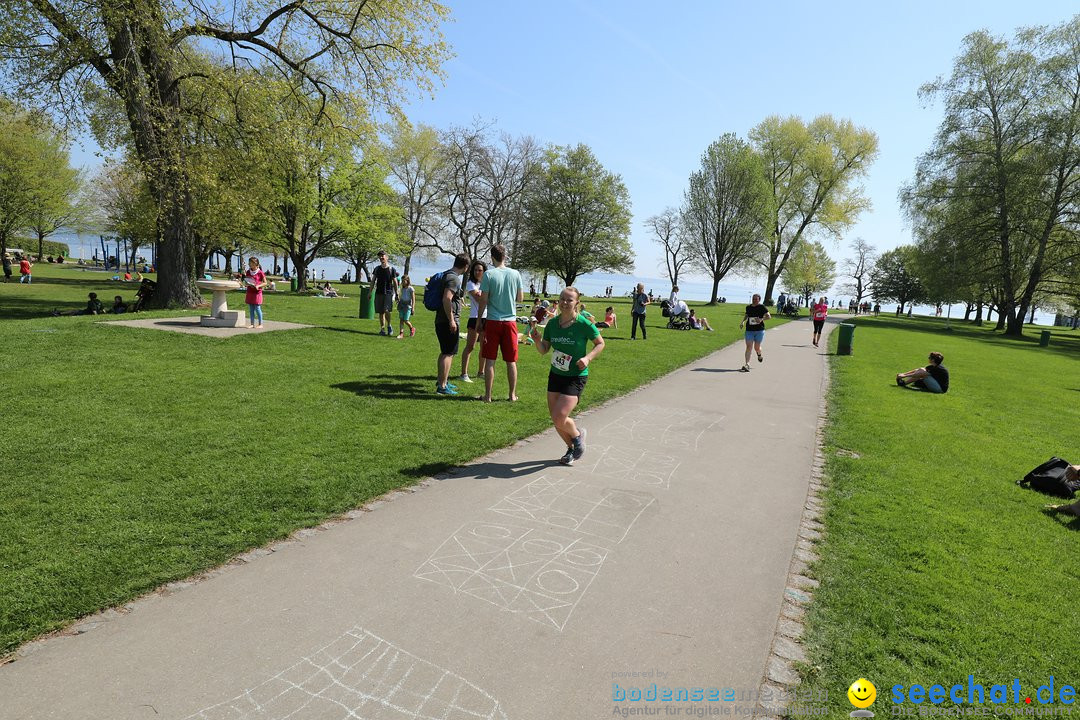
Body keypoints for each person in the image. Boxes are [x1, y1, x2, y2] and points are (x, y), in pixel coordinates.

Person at [529, 286, 604, 466]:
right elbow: (544, 350)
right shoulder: (553, 324)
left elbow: (600, 343)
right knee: (556, 420)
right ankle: (572, 448)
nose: (565, 302)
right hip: (556, 374)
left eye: (569, 300)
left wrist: (587, 358)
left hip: (576, 376)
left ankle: (578, 435)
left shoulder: (583, 324)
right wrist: (538, 340)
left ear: (576, 303)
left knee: (559, 416)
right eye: (562, 299)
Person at [477, 243, 524, 403]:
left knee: (490, 360)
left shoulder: (489, 275)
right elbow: (520, 298)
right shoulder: (516, 274)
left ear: (492, 257)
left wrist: (478, 320)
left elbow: (483, 300)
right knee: (511, 360)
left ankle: (488, 396)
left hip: (493, 321)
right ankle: (512, 395)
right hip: (510, 321)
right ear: (505, 256)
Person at [435, 253, 470, 396]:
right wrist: (451, 320)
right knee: (448, 353)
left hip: (442, 320)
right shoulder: (454, 278)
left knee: (445, 352)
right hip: (447, 322)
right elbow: (446, 299)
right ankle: (442, 387)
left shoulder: (446, 275)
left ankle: (442, 381)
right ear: (466, 267)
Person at [459, 260, 487, 381]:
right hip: (475, 318)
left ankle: (481, 372)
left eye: (480, 270)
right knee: (470, 346)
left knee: (484, 348)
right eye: (475, 270)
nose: (477, 272)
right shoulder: (471, 284)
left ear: (484, 271)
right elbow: (479, 299)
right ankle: (464, 374)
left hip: (487, 317)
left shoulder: (487, 283)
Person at [739, 293, 771, 372]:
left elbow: (769, 316)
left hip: (759, 330)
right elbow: (747, 315)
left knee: (756, 347)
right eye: (753, 299)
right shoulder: (748, 307)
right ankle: (747, 364)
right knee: (748, 347)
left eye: (756, 299)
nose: (754, 300)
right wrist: (743, 321)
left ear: (759, 300)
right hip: (749, 330)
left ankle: (759, 355)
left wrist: (761, 319)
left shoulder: (762, 307)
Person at [370, 250, 399, 336]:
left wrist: (397, 294)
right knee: (381, 312)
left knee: (386, 310)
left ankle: (389, 325)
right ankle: (382, 329)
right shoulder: (377, 269)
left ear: (387, 257)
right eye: (380, 256)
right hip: (379, 292)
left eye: (383, 256)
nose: (381, 257)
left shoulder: (391, 269)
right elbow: (373, 281)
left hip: (388, 293)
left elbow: (395, 282)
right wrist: (370, 292)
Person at [244, 256, 266, 328]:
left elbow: (265, 283)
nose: (249, 264)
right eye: (249, 263)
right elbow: (247, 281)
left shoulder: (260, 272)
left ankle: (260, 324)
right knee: (251, 308)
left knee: (257, 308)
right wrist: (246, 284)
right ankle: (252, 324)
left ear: (256, 264)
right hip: (250, 292)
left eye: (251, 263)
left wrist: (258, 286)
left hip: (257, 293)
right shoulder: (248, 272)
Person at [396, 275, 416, 339]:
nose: (403, 282)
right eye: (402, 280)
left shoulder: (411, 288)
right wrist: (399, 299)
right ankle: (401, 333)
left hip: (408, 306)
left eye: (404, 280)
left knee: (406, 320)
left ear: (407, 280)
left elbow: (413, 299)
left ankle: (412, 328)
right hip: (402, 305)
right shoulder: (403, 288)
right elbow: (402, 296)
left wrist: (413, 307)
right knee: (401, 319)